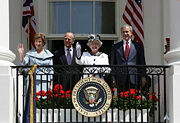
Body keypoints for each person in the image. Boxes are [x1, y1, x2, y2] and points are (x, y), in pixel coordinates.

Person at [111, 24, 146, 91]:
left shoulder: (138, 46)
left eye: (127, 32)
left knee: (134, 99)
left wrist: (143, 76)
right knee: (121, 99)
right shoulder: (115, 47)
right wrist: (113, 78)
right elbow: (113, 64)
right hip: (120, 78)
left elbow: (142, 62)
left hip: (134, 77)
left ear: (131, 33)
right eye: (123, 32)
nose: (125, 33)